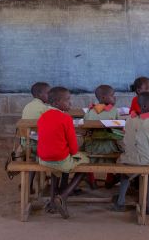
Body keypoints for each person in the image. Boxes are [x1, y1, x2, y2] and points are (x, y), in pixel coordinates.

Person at [111, 92, 149, 215]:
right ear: (145, 107)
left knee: (125, 175)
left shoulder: (130, 119)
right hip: (146, 160)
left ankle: (120, 202)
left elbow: (127, 136)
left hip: (128, 159)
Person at [37, 87, 89, 219]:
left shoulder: (42, 116)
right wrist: (74, 153)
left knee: (58, 168)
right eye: (67, 100)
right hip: (59, 159)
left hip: (42, 159)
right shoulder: (66, 118)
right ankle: (63, 196)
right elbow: (73, 148)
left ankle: (53, 200)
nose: (70, 103)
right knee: (86, 164)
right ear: (55, 103)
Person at [83, 85, 124, 159]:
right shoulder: (114, 110)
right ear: (103, 98)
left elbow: (85, 127)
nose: (114, 97)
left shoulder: (90, 110)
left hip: (92, 147)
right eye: (112, 95)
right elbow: (120, 128)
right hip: (110, 148)